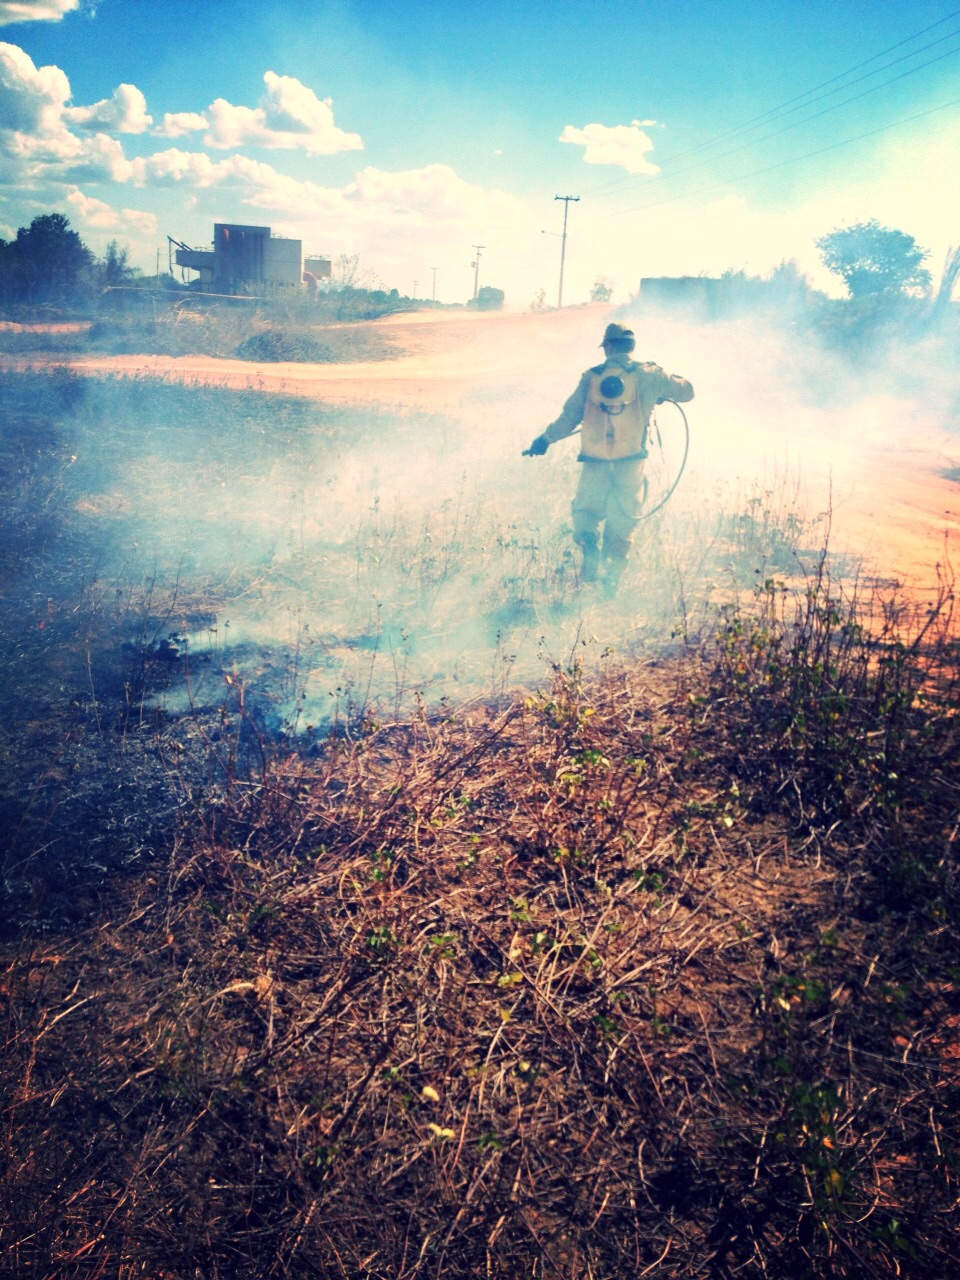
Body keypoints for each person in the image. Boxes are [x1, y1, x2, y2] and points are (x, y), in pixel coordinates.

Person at [524, 323, 694, 590]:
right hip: (630, 462)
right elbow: (687, 392)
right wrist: (661, 389)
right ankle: (610, 583)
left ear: (608, 347)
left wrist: (544, 440)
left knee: (585, 512)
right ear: (631, 347)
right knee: (623, 521)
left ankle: (589, 543)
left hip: (595, 462)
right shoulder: (650, 374)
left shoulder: (591, 377)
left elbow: (569, 416)